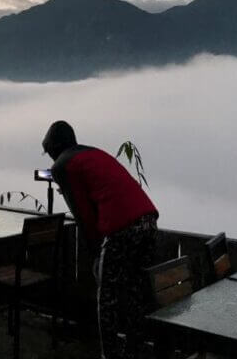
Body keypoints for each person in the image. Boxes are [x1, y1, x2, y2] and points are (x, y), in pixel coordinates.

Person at [42, 120, 158, 359]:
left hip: (122, 227)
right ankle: (134, 350)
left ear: (54, 148)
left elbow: (83, 215)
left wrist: (97, 254)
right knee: (135, 291)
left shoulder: (62, 166)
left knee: (107, 299)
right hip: (148, 220)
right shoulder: (92, 152)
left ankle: (111, 355)